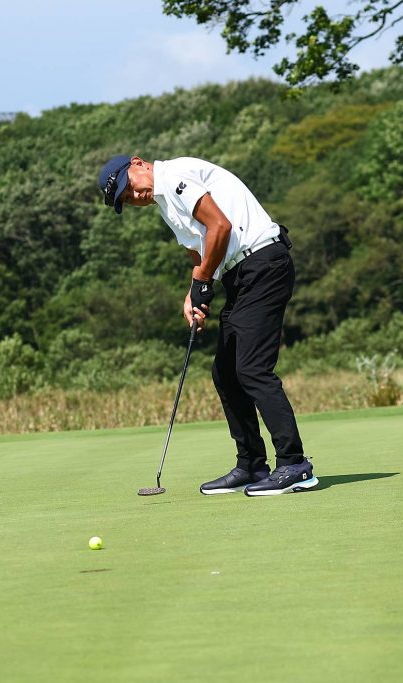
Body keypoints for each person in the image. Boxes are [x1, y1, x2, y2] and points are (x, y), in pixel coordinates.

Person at [98, 154, 318, 496]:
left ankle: (295, 464)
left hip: (263, 263)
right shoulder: (165, 205)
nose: (135, 196)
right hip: (239, 275)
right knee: (226, 374)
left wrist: (203, 280)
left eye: (130, 187)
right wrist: (194, 293)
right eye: (127, 199)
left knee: (252, 369)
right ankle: (251, 464)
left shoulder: (175, 175)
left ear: (138, 164)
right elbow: (198, 252)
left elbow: (220, 227)